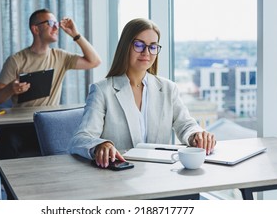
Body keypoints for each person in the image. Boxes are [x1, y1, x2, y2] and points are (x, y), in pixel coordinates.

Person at [69, 18, 215, 168]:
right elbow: (80, 138)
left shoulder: (168, 89)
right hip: (119, 179)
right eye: (139, 45)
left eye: (153, 47)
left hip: (159, 176)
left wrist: (196, 135)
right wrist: (100, 145)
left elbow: (186, 125)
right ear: (126, 46)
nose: (146, 52)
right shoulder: (102, 91)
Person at [0, 8, 101, 159]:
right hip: (21, 126)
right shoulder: (16, 60)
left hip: (49, 126)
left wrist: (75, 34)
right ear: (35, 29)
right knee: (5, 142)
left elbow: (95, 61)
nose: (56, 27)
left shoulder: (60, 57)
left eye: (56, 23)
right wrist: (11, 88)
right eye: (50, 23)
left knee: (76, 141)